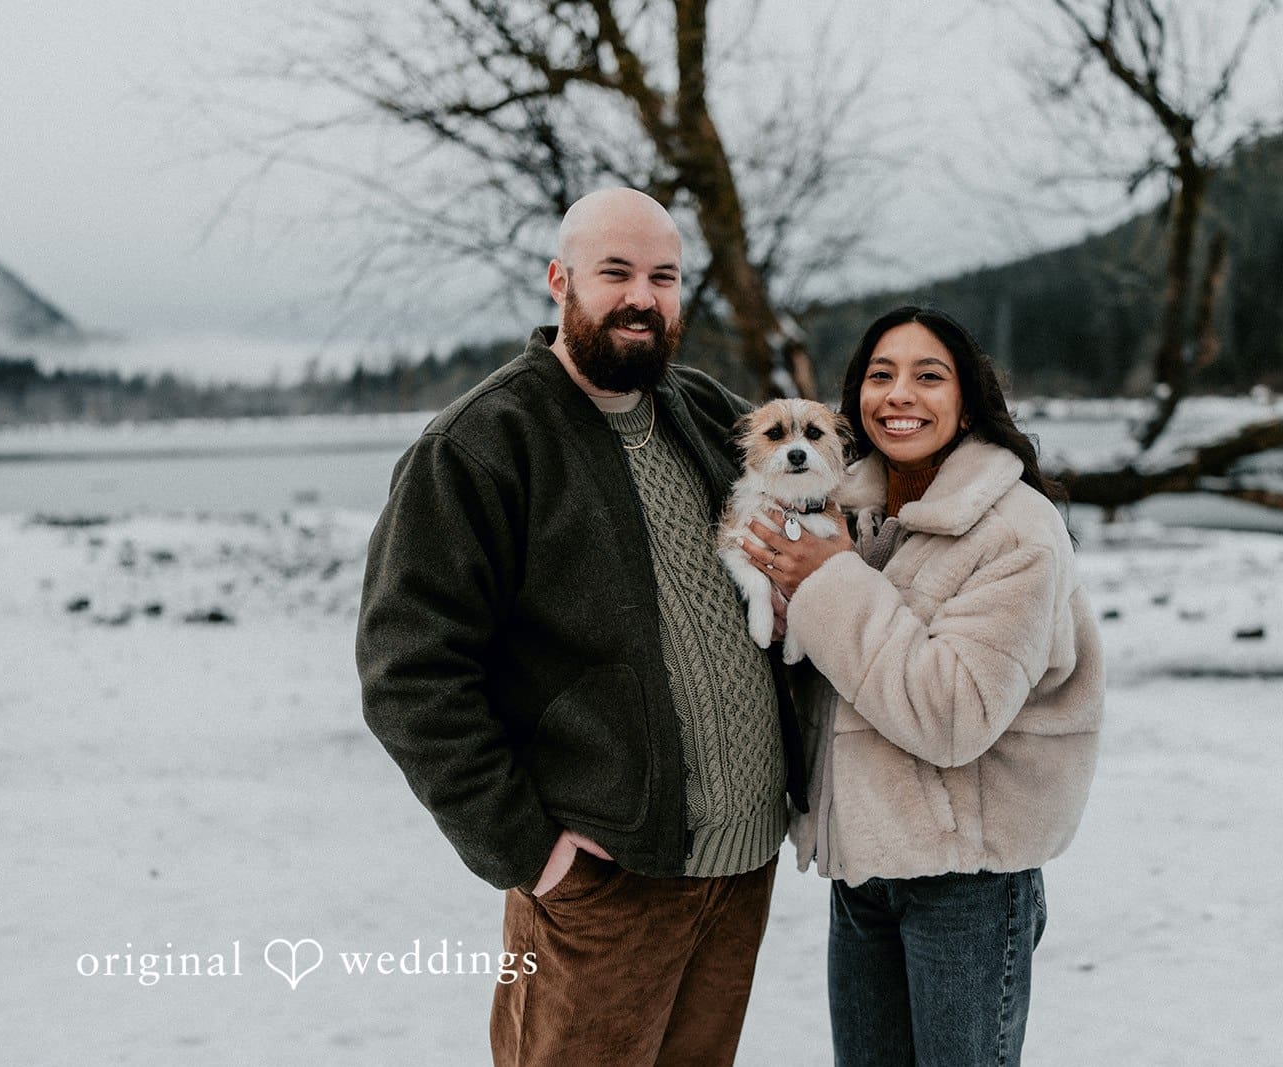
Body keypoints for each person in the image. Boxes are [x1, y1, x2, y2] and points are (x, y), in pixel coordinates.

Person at [356, 187, 805, 1066]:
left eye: (664, 277)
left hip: (740, 866)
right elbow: (406, 673)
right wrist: (534, 851)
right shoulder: (481, 445)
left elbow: (790, 528)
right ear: (560, 281)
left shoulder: (707, 410)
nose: (643, 296)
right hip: (605, 885)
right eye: (616, 273)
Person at [739, 305, 1104, 1066]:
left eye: (927, 376)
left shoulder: (1016, 529)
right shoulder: (852, 515)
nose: (899, 393)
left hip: (965, 880)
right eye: (881, 375)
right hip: (865, 868)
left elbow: (953, 713)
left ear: (966, 401)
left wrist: (831, 579)